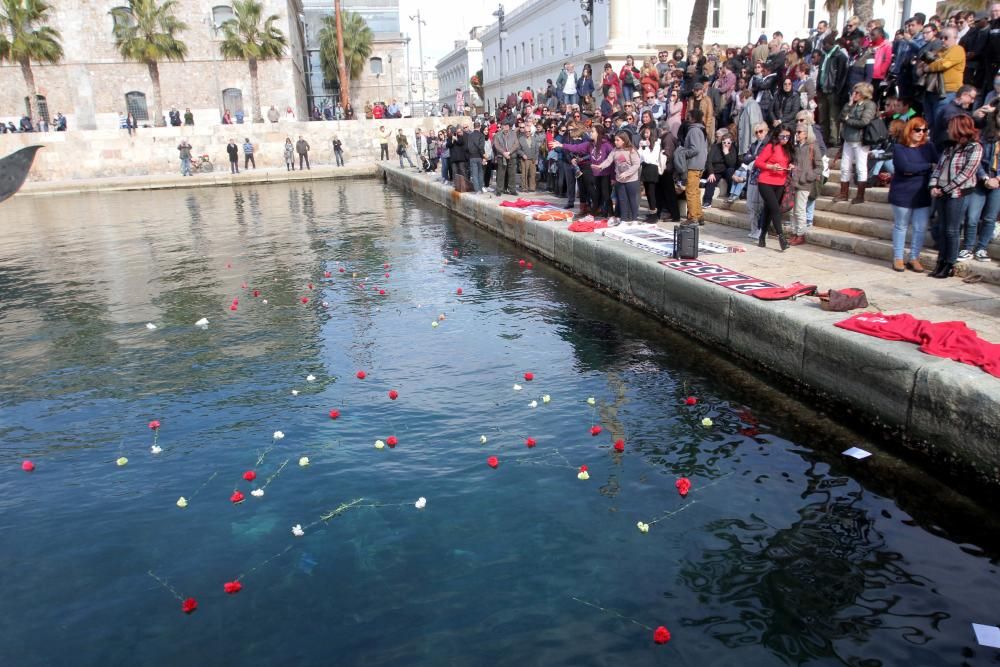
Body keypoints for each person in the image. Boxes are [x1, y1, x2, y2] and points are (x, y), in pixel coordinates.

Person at [929, 115, 983, 277]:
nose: (948, 130)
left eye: (950, 127)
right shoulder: (950, 147)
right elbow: (939, 167)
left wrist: (945, 188)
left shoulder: (974, 147)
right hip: (942, 191)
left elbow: (967, 173)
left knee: (952, 230)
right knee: (942, 228)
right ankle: (941, 261)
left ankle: (949, 263)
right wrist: (933, 185)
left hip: (958, 193)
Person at [889, 117, 939, 272]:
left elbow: (937, 165)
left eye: (924, 130)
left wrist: (919, 168)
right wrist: (927, 166)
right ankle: (898, 257)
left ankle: (914, 257)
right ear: (909, 130)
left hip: (922, 193)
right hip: (902, 192)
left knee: (920, 227)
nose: (921, 133)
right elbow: (904, 167)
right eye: (917, 130)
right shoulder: (899, 148)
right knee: (901, 225)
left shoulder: (928, 147)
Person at [834, 82, 877, 204]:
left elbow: (864, 122)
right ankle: (843, 193)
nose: (854, 94)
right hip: (848, 139)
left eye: (857, 92)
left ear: (863, 93)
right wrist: (849, 105)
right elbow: (841, 117)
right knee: (844, 167)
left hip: (860, 140)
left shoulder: (869, 105)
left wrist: (848, 120)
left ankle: (860, 195)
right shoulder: (853, 104)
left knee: (860, 167)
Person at [754, 127, 793, 250]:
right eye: (783, 136)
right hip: (766, 181)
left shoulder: (788, 148)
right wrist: (771, 167)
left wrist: (791, 166)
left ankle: (762, 236)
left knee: (769, 209)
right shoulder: (771, 146)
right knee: (775, 208)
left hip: (780, 182)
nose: (785, 139)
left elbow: (788, 162)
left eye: (787, 136)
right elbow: (758, 162)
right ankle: (781, 238)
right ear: (777, 135)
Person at [789, 124, 822, 245]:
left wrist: (808, 176)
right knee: (792, 210)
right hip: (794, 181)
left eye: (799, 132)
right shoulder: (796, 147)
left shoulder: (813, 147)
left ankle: (800, 234)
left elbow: (819, 167)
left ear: (806, 133)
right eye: (796, 132)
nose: (797, 134)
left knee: (800, 209)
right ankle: (794, 232)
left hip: (805, 183)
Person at [681, 107, 708, 225]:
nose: (687, 118)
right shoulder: (701, 130)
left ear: (693, 118)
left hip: (694, 164)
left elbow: (695, 149)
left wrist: (683, 152)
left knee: (691, 191)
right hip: (700, 164)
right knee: (696, 191)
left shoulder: (694, 131)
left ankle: (692, 218)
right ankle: (699, 215)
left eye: (689, 116)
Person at [703, 133, 738, 208]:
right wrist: (711, 173)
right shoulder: (715, 147)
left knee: (730, 171)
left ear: (731, 142)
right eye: (724, 142)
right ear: (721, 142)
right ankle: (707, 201)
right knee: (711, 181)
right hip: (716, 170)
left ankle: (730, 193)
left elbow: (731, 164)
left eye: (728, 143)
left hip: (726, 169)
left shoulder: (733, 149)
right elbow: (709, 161)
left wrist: (726, 153)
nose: (726, 144)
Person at [492, 120, 521, 196]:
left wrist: (509, 152)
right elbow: (496, 145)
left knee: (512, 174)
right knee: (500, 174)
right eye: (504, 126)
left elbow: (516, 144)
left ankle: (512, 189)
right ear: (502, 126)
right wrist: (503, 152)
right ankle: (499, 190)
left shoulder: (513, 134)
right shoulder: (497, 135)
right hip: (501, 157)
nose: (506, 127)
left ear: (509, 126)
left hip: (512, 156)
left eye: (507, 126)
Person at [465, 122, 487, 192]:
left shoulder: (470, 135)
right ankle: (480, 188)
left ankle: (477, 190)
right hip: (480, 156)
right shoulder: (481, 135)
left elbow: (468, 147)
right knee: (480, 173)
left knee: (474, 175)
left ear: (473, 126)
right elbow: (481, 147)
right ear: (480, 127)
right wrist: (483, 156)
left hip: (472, 157)